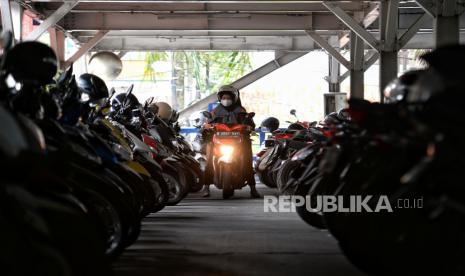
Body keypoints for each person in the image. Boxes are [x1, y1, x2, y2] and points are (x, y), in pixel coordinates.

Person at [201, 85, 260, 198]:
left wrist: (248, 127)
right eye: (224, 97)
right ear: (220, 98)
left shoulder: (241, 112)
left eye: (228, 97)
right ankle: (206, 187)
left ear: (234, 98)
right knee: (209, 161)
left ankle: (253, 188)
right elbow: (207, 124)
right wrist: (207, 127)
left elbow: (250, 124)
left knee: (247, 160)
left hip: (238, 141)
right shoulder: (215, 112)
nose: (226, 100)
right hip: (218, 140)